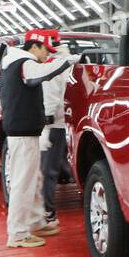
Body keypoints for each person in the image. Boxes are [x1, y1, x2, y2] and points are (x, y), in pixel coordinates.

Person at [0, 29, 79, 249]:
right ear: (35, 46)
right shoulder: (23, 63)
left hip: (26, 132)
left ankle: (36, 222)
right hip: (22, 134)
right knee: (23, 184)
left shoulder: (14, 62)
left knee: (33, 181)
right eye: (46, 50)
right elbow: (42, 72)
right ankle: (17, 233)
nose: (47, 55)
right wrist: (68, 60)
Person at [40, 40, 76, 225]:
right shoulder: (75, 64)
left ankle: (48, 213)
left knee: (47, 171)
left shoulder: (51, 66)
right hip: (75, 124)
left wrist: (46, 125)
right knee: (61, 166)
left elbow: (50, 99)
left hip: (55, 125)